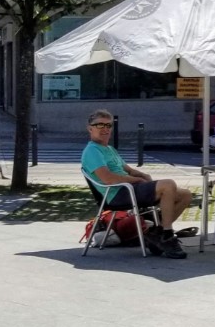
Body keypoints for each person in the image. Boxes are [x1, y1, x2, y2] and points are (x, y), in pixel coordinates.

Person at [80, 110, 193, 259]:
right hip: (117, 194)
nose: (105, 129)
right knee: (168, 185)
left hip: (129, 189)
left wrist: (142, 175)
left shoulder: (109, 149)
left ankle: (156, 233)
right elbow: (108, 178)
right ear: (90, 128)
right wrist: (137, 180)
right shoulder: (92, 151)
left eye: (108, 125)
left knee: (185, 195)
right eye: (100, 125)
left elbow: (128, 170)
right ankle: (166, 235)